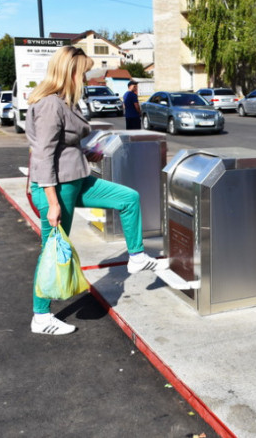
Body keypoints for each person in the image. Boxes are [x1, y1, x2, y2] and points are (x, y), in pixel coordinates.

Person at [25, 46, 164, 336]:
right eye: (84, 73)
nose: (87, 79)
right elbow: (43, 156)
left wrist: (85, 152)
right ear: (70, 72)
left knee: (129, 198)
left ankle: (136, 257)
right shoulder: (50, 104)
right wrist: (52, 202)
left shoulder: (66, 102)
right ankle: (40, 316)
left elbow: (64, 147)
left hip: (76, 180)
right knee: (52, 251)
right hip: (57, 188)